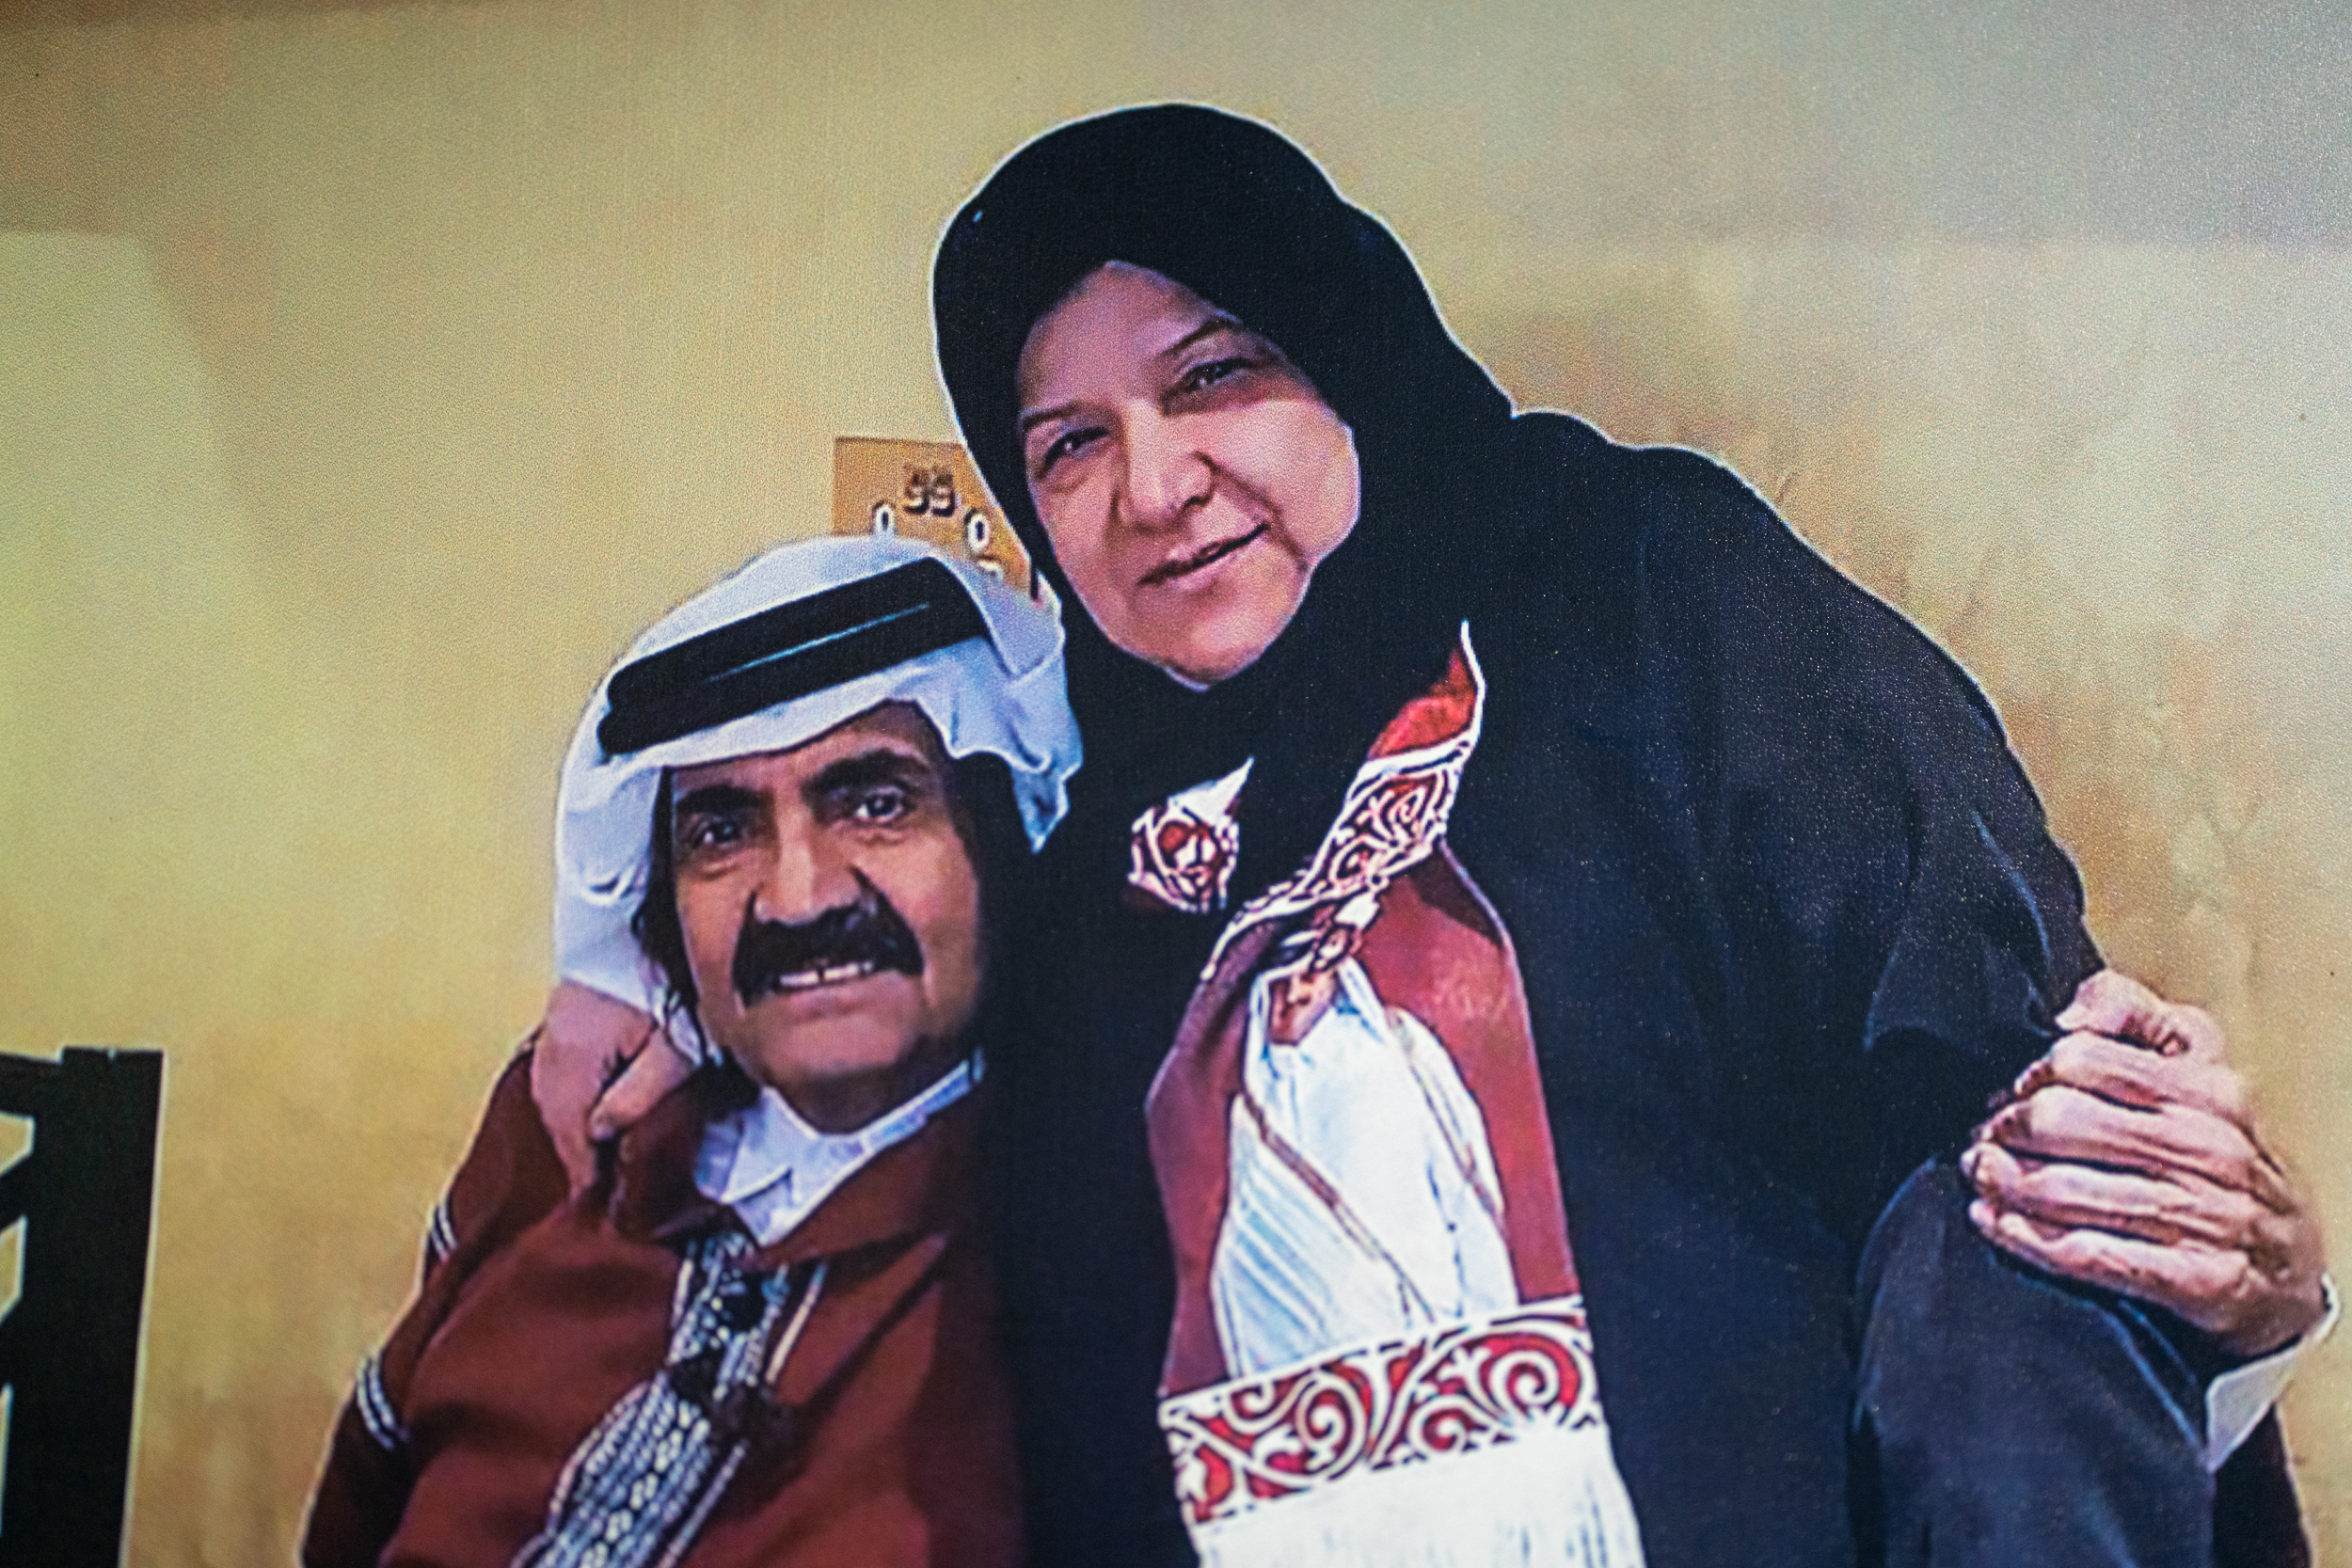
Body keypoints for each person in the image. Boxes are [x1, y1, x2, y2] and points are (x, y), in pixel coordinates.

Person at [540, 108, 2333, 1566]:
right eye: (1068, 443)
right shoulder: (1075, 864)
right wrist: (609, 961)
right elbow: (816, 914)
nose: (1152, 485)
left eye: (1217, 373)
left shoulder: (1637, 596)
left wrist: (2215, 1291)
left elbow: (2003, 1146)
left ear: (1352, 354)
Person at [301, 535, 1080, 1568]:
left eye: (878, 802)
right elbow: (363, 1496)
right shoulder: (571, 1129)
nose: (799, 895)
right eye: (722, 832)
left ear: (996, 838)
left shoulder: (1074, 1218)